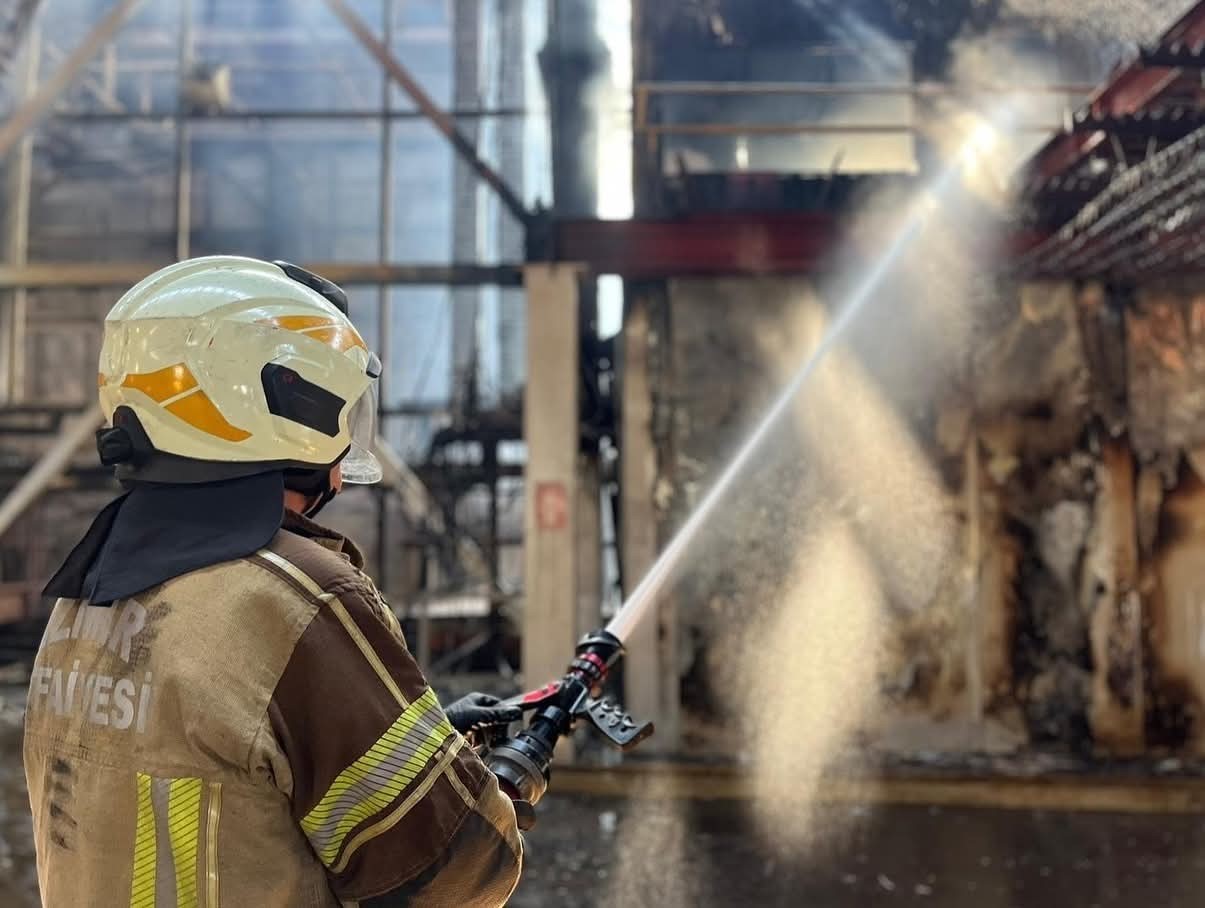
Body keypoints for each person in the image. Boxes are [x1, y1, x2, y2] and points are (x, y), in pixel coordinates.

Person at [23, 256, 524, 907]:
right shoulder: (299, 597)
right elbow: (455, 869)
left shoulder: (82, 594)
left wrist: (413, 740)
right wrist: (497, 789)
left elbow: (223, 757)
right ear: (293, 405)